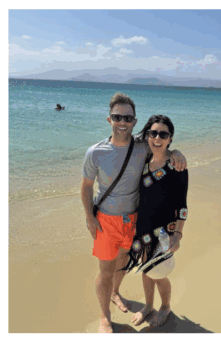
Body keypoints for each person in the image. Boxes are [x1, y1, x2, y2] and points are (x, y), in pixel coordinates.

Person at [81, 92, 187, 333]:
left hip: (136, 221)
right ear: (109, 119)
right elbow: (86, 187)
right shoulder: (95, 152)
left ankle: (118, 294)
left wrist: (176, 152)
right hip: (106, 220)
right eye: (117, 117)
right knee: (105, 270)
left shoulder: (142, 147)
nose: (122, 122)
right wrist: (89, 217)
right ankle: (105, 317)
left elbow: (161, 148)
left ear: (135, 122)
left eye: (128, 118)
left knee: (126, 263)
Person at [124, 115, 188, 327]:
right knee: (145, 268)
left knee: (159, 273)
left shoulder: (177, 166)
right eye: (153, 133)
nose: (157, 137)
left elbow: (182, 206)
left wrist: (177, 234)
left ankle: (165, 307)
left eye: (163, 134)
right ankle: (148, 306)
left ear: (170, 138)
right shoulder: (144, 161)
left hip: (164, 232)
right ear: (148, 136)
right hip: (142, 228)